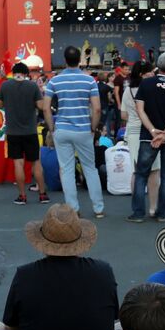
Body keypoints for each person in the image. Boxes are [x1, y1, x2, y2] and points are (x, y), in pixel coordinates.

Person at [44, 46, 105, 218]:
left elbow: (46, 108)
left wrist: (52, 127)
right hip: (83, 130)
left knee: (67, 170)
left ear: (64, 60)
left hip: (62, 129)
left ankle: (73, 209)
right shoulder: (89, 81)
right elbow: (97, 109)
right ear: (80, 60)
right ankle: (98, 208)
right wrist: (93, 128)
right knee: (90, 168)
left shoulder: (55, 81)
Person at [128, 52, 165, 223]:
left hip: (148, 136)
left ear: (157, 66)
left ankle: (138, 213)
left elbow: (140, 110)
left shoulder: (146, 84)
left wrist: (153, 131)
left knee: (141, 174)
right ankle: (162, 213)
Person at [0, 62, 49, 205]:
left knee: (18, 164)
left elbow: (0, 105)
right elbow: (40, 106)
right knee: (36, 163)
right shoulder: (33, 86)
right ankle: (42, 194)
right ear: (26, 73)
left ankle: (22, 196)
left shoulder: (5, 86)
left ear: (13, 73)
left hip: (13, 131)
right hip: (30, 131)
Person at [121, 60, 161, 216]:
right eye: (149, 72)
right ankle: (153, 207)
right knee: (154, 171)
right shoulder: (154, 90)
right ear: (141, 74)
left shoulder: (128, 91)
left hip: (133, 132)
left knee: (137, 171)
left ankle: (137, 208)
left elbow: (123, 115)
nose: (152, 74)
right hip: (152, 131)